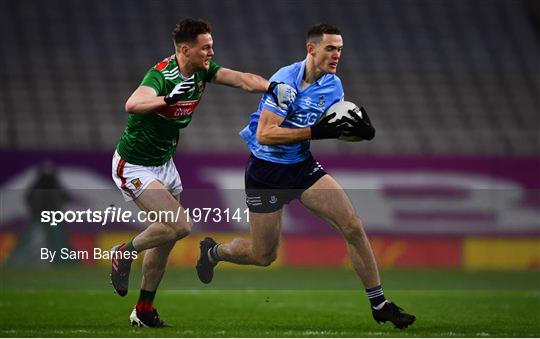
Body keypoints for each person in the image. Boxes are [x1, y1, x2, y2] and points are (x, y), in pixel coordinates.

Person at [196, 23, 416, 329]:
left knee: (352, 225)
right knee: (263, 256)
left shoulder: (333, 86)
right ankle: (214, 251)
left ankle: (379, 304)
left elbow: (336, 126)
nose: (337, 54)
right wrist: (315, 132)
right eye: (330, 48)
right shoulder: (286, 81)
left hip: (301, 167)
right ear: (311, 49)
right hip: (266, 172)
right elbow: (265, 134)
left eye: (340, 49)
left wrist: (362, 134)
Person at [110, 18, 296, 328]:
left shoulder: (202, 71)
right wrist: (167, 99)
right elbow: (132, 104)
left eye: (211, 46)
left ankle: (143, 309)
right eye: (205, 47)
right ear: (186, 49)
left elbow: (242, 79)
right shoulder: (161, 75)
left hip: (164, 164)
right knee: (180, 225)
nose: (211, 52)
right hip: (134, 164)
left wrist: (273, 87)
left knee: (165, 240)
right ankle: (124, 253)